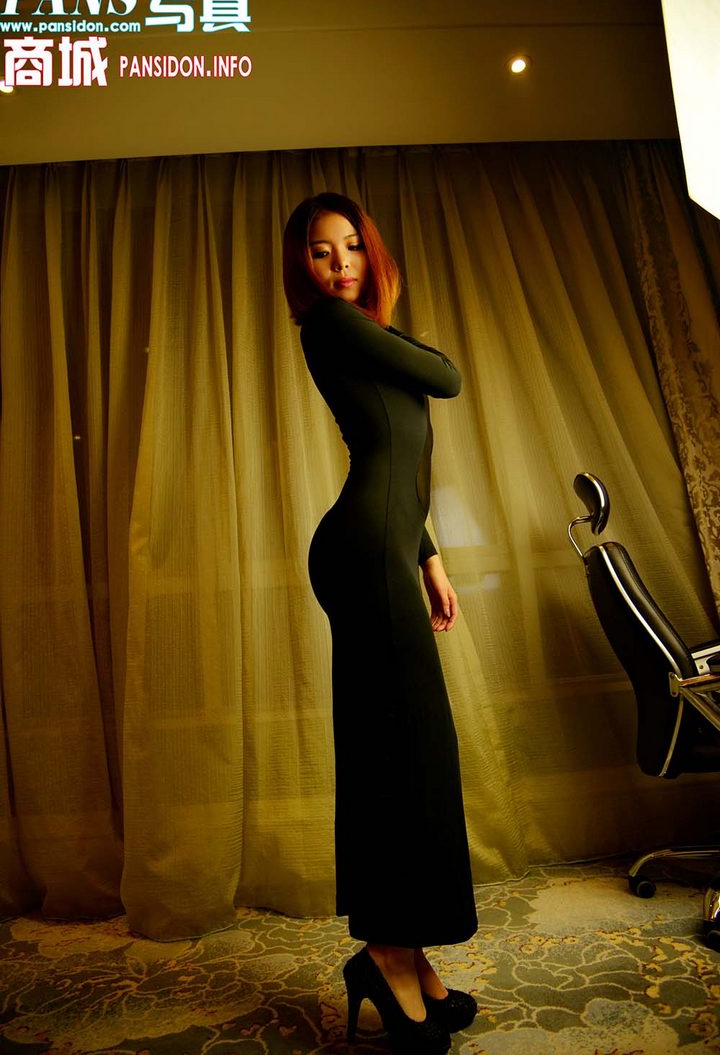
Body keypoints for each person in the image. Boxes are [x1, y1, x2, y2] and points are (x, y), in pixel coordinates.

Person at [282, 193, 478, 1055]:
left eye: (351, 246)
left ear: (373, 251)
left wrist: (428, 557)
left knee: (411, 748)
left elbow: (398, 458)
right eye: (321, 251)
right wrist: (402, 554)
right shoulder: (333, 324)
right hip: (360, 555)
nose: (339, 264)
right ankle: (387, 951)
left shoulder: (362, 336)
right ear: (303, 266)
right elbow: (448, 375)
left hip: (387, 551)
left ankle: (408, 949)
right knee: (396, 751)